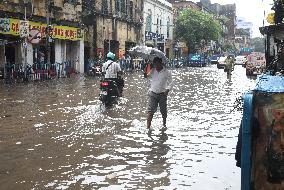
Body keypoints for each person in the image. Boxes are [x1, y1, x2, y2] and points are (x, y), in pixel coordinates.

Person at [145, 57, 173, 129]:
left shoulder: (167, 72)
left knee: (163, 111)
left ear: (161, 63)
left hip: (162, 94)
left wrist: (167, 90)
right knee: (150, 111)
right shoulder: (153, 70)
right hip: (153, 93)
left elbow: (171, 83)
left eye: (157, 64)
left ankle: (164, 124)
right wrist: (145, 68)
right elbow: (147, 76)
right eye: (155, 65)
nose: (156, 66)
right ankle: (148, 128)